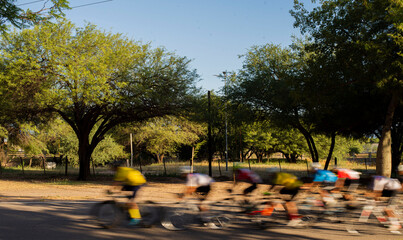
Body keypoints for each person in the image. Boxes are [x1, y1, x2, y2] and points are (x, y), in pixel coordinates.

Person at [111, 161, 146, 225]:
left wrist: (109, 190)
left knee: (131, 202)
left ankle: (137, 218)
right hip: (131, 182)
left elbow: (116, 183)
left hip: (137, 183)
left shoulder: (120, 172)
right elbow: (118, 184)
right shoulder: (121, 170)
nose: (112, 169)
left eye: (112, 167)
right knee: (123, 191)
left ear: (116, 167)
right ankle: (129, 208)